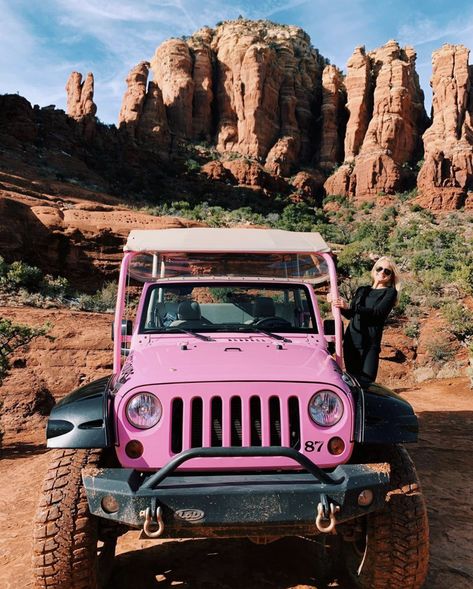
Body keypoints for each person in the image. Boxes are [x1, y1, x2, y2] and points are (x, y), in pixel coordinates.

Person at [329, 256, 400, 383]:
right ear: (374, 270)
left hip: (370, 343)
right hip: (352, 341)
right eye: (380, 268)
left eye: (387, 271)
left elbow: (378, 313)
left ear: (391, 276)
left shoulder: (390, 293)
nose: (382, 272)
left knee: (367, 382)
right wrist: (340, 305)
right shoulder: (362, 290)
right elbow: (352, 315)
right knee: (352, 381)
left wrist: (351, 306)